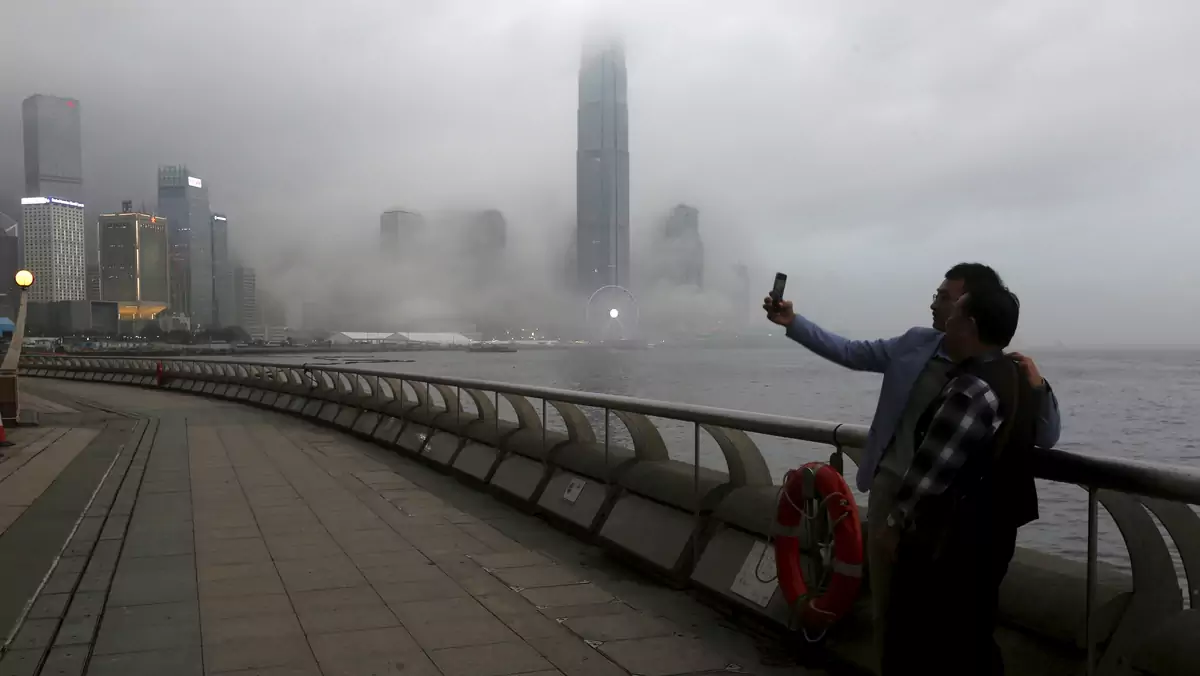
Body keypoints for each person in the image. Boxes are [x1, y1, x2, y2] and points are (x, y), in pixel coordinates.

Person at [763, 263, 1061, 664]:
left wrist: (1039, 387)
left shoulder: (1000, 370)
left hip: (952, 518)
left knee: (946, 624)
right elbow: (852, 352)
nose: (935, 304)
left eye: (945, 297)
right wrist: (793, 322)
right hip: (896, 494)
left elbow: (1047, 435)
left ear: (970, 311)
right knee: (893, 611)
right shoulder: (916, 344)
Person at [877, 285, 1033, 675]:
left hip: (950, 541)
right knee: (971, 637)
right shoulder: (1014, 375)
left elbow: (931, 470)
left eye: (955, 314)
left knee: (921, 642)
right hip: (992, 534)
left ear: (971, 325)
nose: (946, 321)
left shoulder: (971, 388)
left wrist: (894, 524)